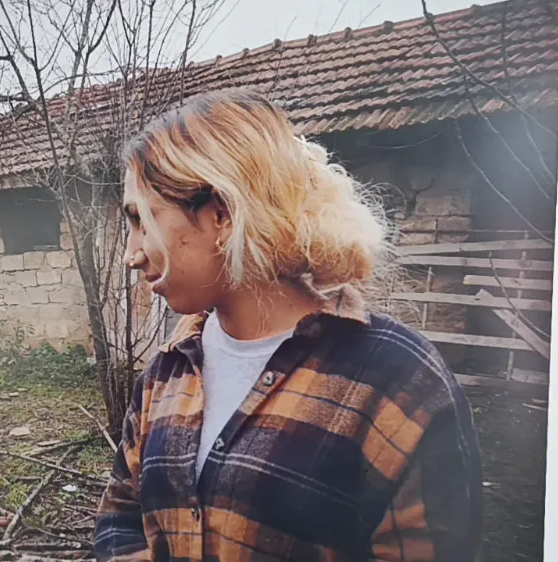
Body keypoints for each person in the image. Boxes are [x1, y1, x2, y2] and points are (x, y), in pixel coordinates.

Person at [93, 89, 483, 562]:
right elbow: (122, 518)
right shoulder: (167, 371)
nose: (132, 254)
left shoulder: (399, 381)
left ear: (222, 214)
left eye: (141, 220)